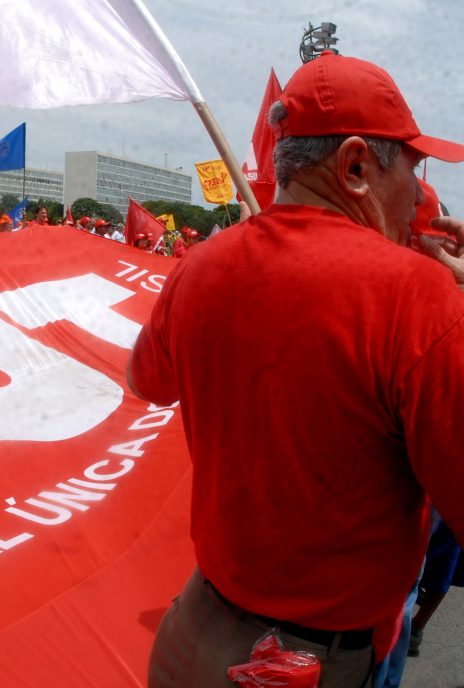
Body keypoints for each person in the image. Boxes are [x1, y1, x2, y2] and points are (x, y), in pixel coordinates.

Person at [129, 52, 464, 687]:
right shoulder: (419, 298)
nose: (420, 191)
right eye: (414, 166)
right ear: (358, 165)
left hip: (196, 629)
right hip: (320, 662)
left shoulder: (200, 267)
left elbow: (144, 381)